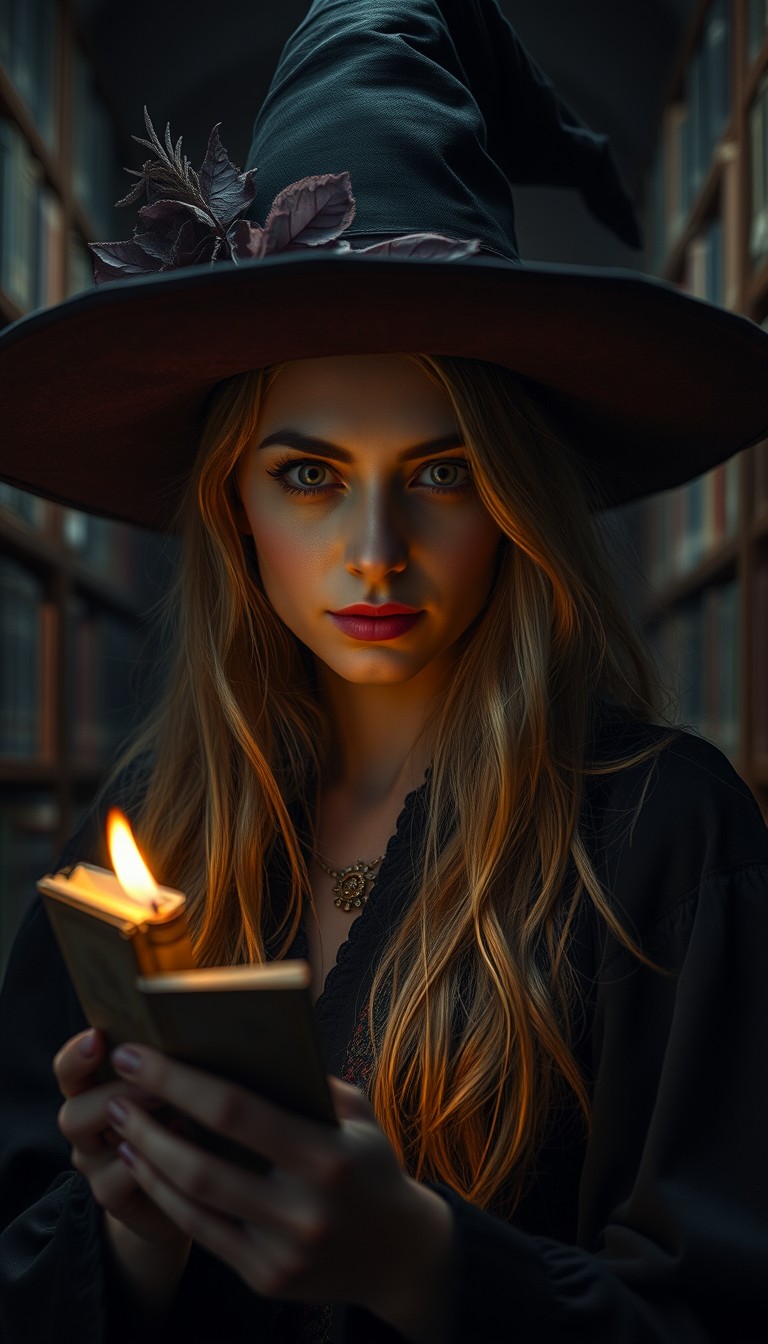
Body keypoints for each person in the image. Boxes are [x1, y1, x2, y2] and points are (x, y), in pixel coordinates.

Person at [1, 2, 767, 1342]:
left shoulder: (669, 838)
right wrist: (128, 1227)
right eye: (309, 474)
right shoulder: (126, 846)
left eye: (443, 473)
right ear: (236, 504)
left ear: (517, 498)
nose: (375, 554)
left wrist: (425, 1262)